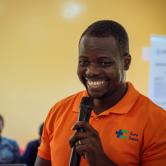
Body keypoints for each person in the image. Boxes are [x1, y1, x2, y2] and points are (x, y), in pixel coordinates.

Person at [35, 20, 166, 166]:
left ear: (126, 62)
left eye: (104, 63)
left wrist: (99, 158)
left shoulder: (157, 121)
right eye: (84, 62)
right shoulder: (58, 111)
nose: (91, 71)